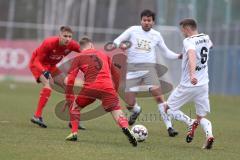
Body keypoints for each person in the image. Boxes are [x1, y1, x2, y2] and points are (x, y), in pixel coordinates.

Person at [113, 9, 181, 137]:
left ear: (153, 22)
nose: (146, 22)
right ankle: (136, 111)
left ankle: (170, 127)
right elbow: (118, 40)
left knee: (159, 98)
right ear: (141, 21)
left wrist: (178, 56)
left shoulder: (156, 35)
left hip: (149, 70)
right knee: (129, 104)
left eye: (149, 20)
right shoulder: (133, 30)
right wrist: (118, 45)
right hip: (133, 70)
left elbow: (166, 52)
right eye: (144, 20)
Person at [65, 37, 138, 147]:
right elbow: (116, 75)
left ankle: (74, 133)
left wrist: (69, 96)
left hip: (90, 89)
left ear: (81, 48)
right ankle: (125, 127)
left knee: (75, 107)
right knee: (116, 110)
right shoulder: (103, 55)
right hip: (107, 87)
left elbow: (70, 79)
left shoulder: (78, 57)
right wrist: (115, 90)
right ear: (91, 45)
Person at [164, 18, 214, 149]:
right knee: (201, 116)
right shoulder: (206, 37)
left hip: (188, 84)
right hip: (203, 85)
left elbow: (192, 55)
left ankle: (190, 122)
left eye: (182, 30)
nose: (182, 33)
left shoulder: (188, 41)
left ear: (187, 28)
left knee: (168, 109)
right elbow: (210, 45)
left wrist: (192, 74)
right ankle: (209, 135)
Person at [29, 26, 85, 129]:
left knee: (68, 86)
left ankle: (73, 120)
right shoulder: (49, 43)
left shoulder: (72, 45)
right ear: (59, 36)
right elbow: (37, 61)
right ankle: (37, 116)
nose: (67, 39)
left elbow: (86, 52)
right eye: (65, 36)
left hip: (51, 66)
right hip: (38, 65)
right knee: (48, 85)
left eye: (70, 36)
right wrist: (44, 71)